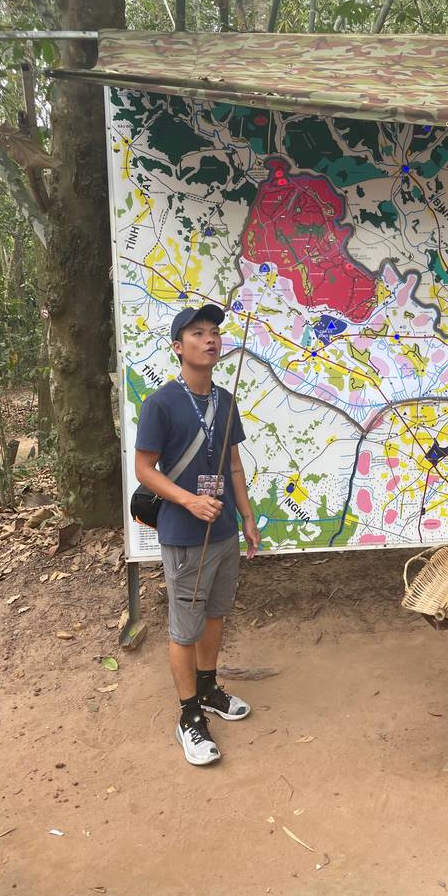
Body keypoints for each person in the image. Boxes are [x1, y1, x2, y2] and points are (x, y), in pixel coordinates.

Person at [134, 304, 261, 766]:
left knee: (215, 614)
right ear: (178, 347)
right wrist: (188, 500)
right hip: (185, 535)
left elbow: (232, 465)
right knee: (184, 628)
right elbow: (144, 469)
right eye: (197, 333)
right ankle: (189, 715)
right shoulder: (161, 403)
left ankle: (208, 690)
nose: (210, 339)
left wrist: (246, 517)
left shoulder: (225, 400)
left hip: (224, 530)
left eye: (214, 333)